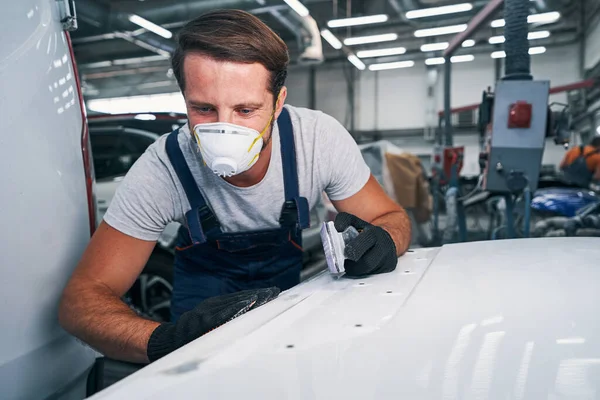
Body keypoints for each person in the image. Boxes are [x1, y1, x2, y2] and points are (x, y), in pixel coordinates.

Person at [59, 9, 411, 364]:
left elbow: (390, 216)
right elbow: (80, 301)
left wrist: (383, 240)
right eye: (203, 109)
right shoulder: (163, 168)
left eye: (245, 110)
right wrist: (164, 342)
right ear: (184, 100)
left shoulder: (318, 140)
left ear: (278, 103)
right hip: (198, 341)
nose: (224, 129)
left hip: (285, 325)